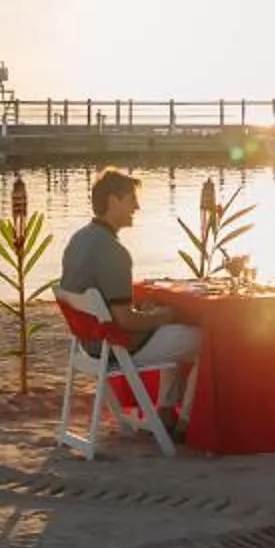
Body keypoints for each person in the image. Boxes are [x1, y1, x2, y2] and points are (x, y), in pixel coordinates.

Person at [58, 168, 200, 412]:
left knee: (169, 327)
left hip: (89, 344)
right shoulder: (112, 250)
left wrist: (149, 313)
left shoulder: (79, 239)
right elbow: (126, 321)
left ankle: (166, 411)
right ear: (114, 200)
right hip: (113, 347)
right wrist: (166, 315)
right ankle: (187, 420)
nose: (137, 207)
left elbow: (108, 306)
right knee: (207, 340)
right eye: (132, 199)